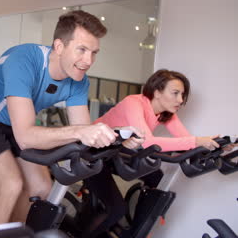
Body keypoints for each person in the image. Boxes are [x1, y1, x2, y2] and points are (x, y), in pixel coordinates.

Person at [0, 10, 144, 226]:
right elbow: (27, 136)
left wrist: (120, 138)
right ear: (59, 46)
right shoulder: (25, 59)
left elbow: (83, 132)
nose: (88, 60)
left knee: (41, 187)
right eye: (82, 50)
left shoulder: (79, 81)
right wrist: (80, 132)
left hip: (14, 125)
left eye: (94, 52)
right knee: (11, 184)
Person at [80, 69, 223, 237]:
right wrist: (198, 141)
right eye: (175, 93)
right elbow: (149, 142)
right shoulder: (133, 102)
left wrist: (216, 146)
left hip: (115, 153)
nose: (180, 100)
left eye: (182, 95)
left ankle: (138, 232)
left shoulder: (166, 114)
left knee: (157, 179)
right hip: (93, 155)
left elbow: (187, 140)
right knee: (116, 209)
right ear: (157, 92)